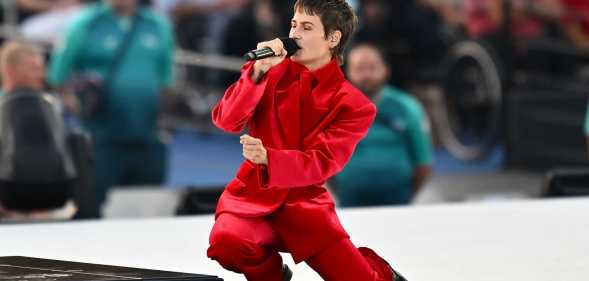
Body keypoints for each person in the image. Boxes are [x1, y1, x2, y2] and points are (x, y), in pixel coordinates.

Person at [207, 1, 407, 280]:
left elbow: (323, 162)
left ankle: (383, 273)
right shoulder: (266, 72)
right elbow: (225, 120)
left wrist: (269, 158)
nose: (295, 34)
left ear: (333, 38)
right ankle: (274, 275)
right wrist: (255, 74)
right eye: (293, 24)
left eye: (307, 27)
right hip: (252, 197)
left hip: (305, 208)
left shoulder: (354, 105)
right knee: (227, 242)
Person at [48, 0, 175, 215]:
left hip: (146, 134)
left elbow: (167, 80)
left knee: (146, 209)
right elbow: (58, 74)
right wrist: (75, 103)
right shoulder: (85, 23)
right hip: (100, 137)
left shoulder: (158, 24)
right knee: (92, 207)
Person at [332, 43, 433, 207]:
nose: (366, 75)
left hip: (398, 200)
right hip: (350, 201)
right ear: (348, 72)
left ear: (386, 70)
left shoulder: (408, 107)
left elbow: (423, 161)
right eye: (359, 68)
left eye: (372, 68)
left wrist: (408, 195)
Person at [0, 41, 78, 220]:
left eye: (42, 68)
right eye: (33, 68)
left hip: (54, 197)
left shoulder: (53, 106)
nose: (41, 75)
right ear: (10, 70)